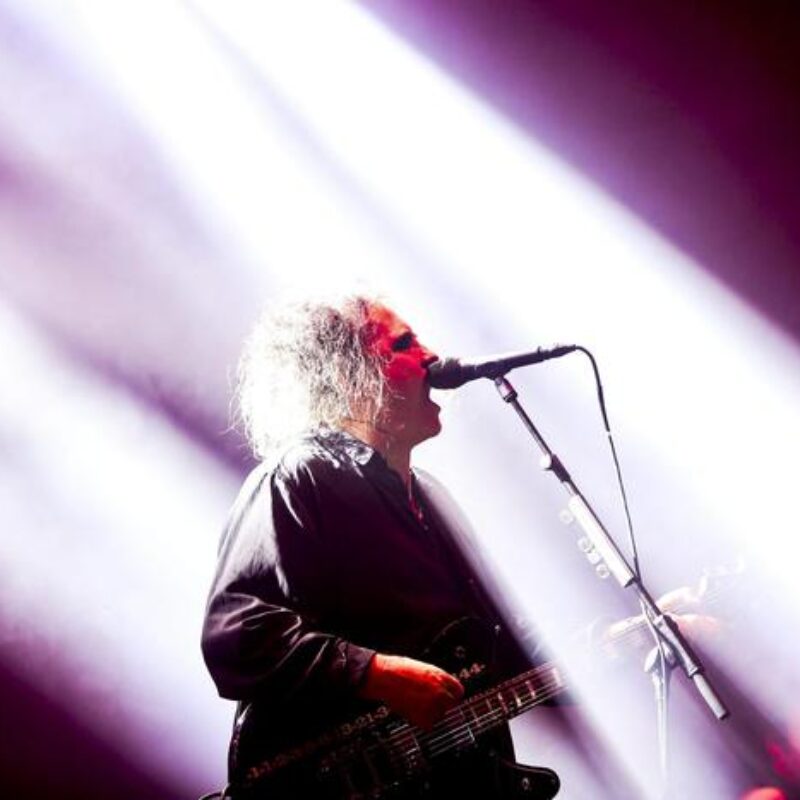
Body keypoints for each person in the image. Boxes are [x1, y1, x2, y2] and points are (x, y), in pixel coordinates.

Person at [201, 294, 560, 800]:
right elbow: (238, 637)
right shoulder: (301, 474)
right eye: (405, 344)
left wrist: (643, 640)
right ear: (352, 374)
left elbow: (503, 650)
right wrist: (375, 673)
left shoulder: (433, 500)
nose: (431, 356)